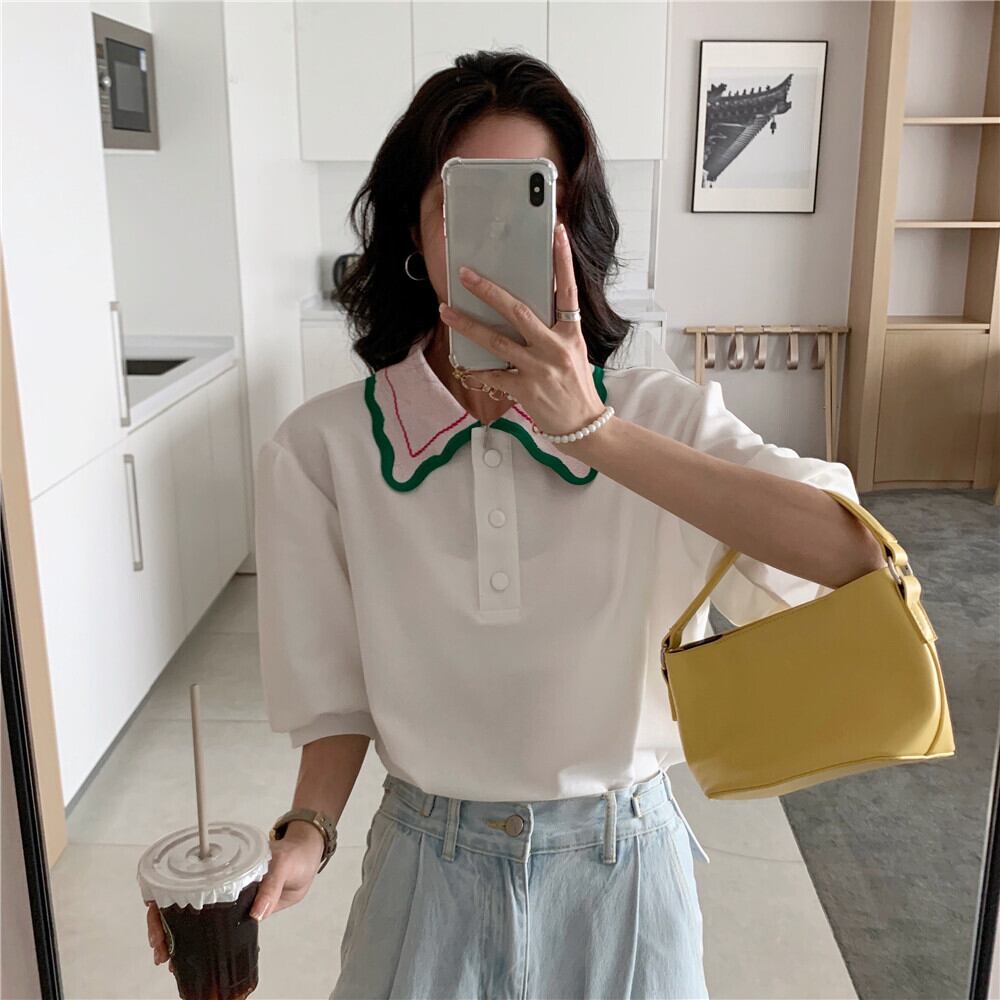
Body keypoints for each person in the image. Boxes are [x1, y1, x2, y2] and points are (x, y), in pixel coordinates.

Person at [148, 49, 884, 1000]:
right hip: (424, 881)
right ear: (414, 232)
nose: (500, 238)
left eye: (537, 200)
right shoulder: (320, 450)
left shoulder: (658, 418)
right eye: (465, 204)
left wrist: (596, 433)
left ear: (573, 230)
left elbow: (852, 555)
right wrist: (308, 831)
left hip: (627, 879)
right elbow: (336, 700)